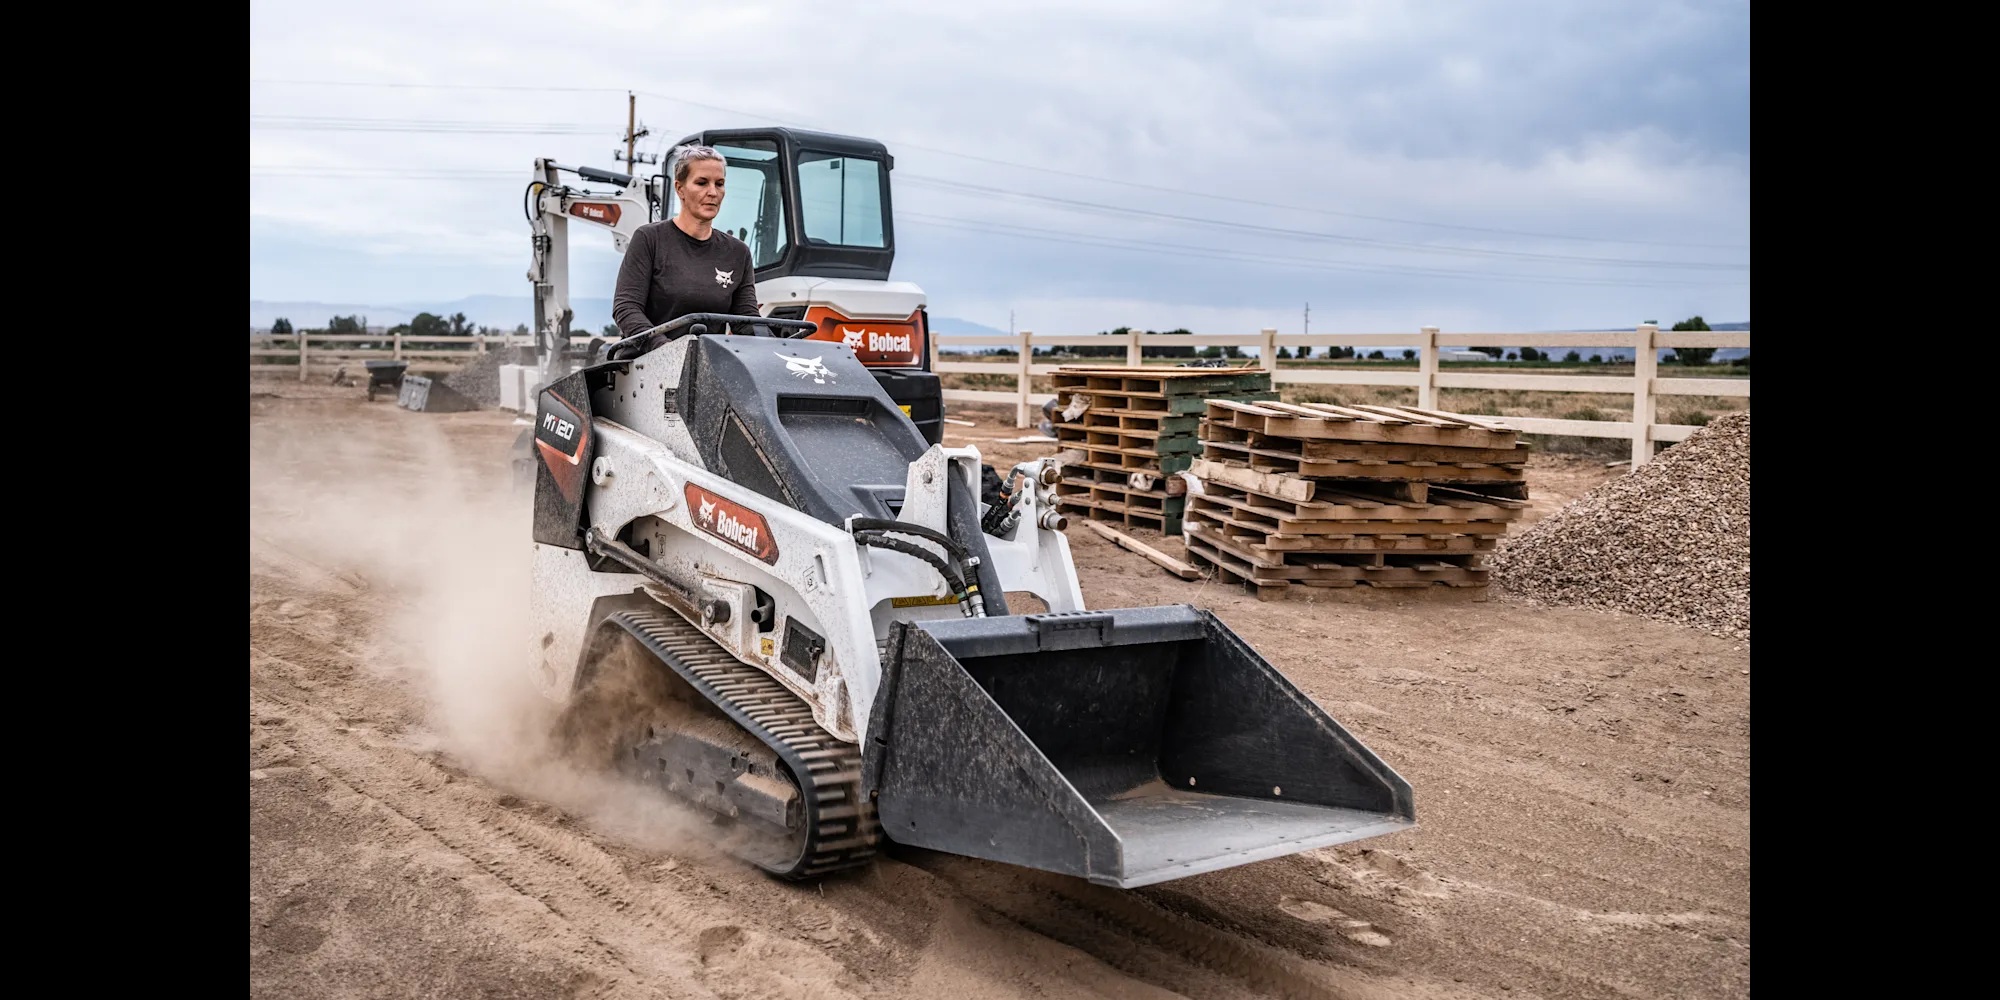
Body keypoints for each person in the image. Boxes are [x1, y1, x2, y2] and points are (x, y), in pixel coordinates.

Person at [611, 144, 761, 343]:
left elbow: (746, 321)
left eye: (719, 184)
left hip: (707, 359)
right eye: (702, 183)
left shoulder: (737, 253)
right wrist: (665, 350)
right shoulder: (649, 239)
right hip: (648, 358)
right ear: (680, 188)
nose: (713, 192)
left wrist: (778, 344)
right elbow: (626, 308)